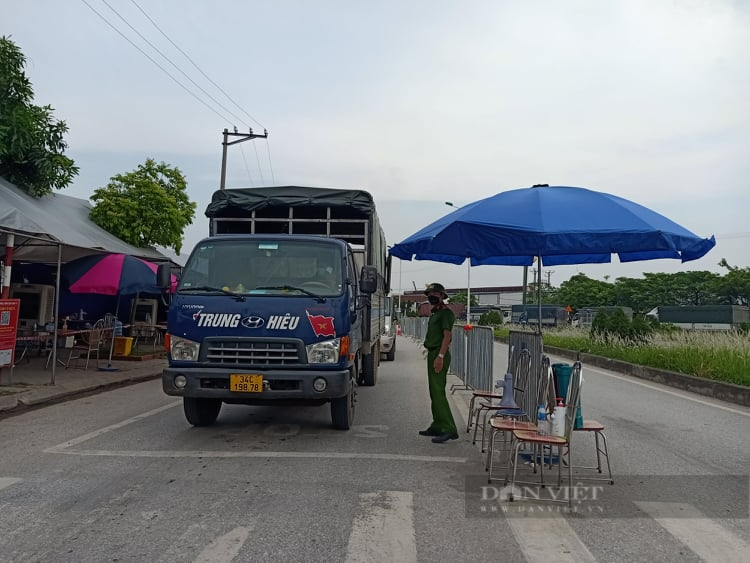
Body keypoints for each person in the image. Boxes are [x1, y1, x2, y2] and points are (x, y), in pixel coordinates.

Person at [419, 282, 459, 443]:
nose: (431, 297)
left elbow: (447, 336)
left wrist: (440, 357)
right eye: (429, 294)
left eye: (435, 294)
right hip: (433, 353)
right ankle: (438, 425)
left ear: (442, 296)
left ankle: (449, 428)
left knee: (438, 392)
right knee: (433, 391)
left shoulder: (445, 314)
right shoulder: (436, 313)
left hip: (439, 353)